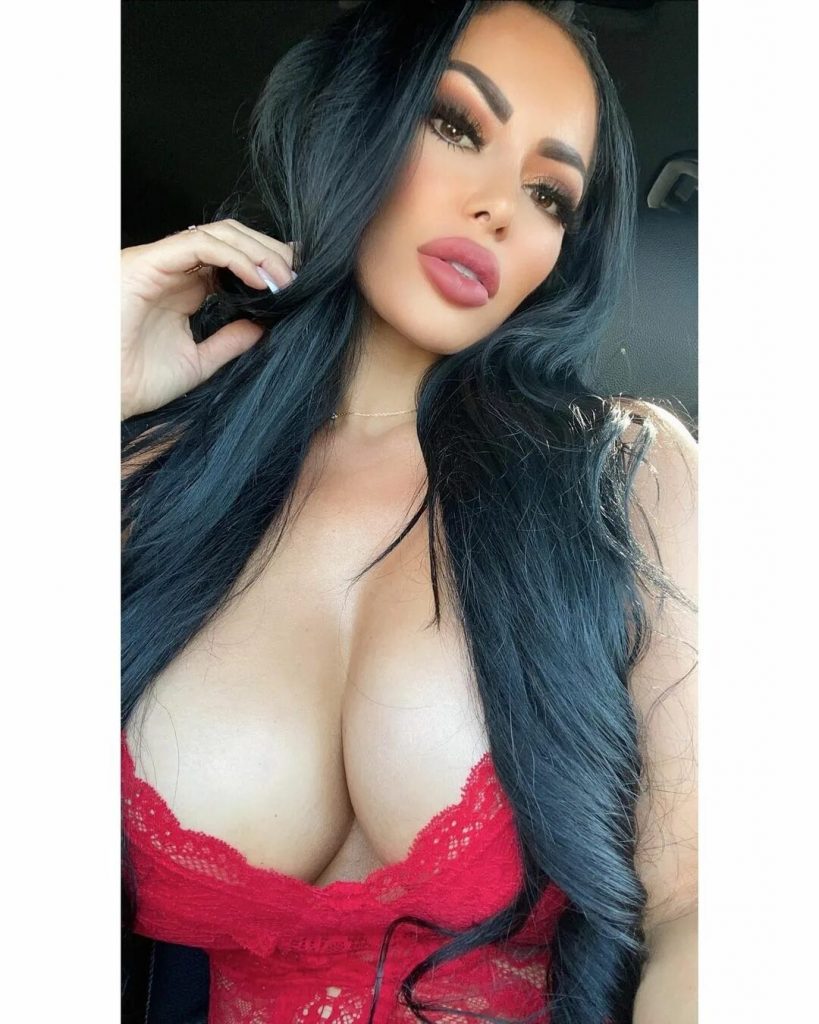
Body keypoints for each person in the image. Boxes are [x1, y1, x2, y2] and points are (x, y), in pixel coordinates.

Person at [120, 2, 697, 1022]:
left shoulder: (626, 477)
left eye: (550, 195)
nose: (499, 208)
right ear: (355, 123)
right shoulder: (147, 478)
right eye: (457, 126)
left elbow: (704, 902)